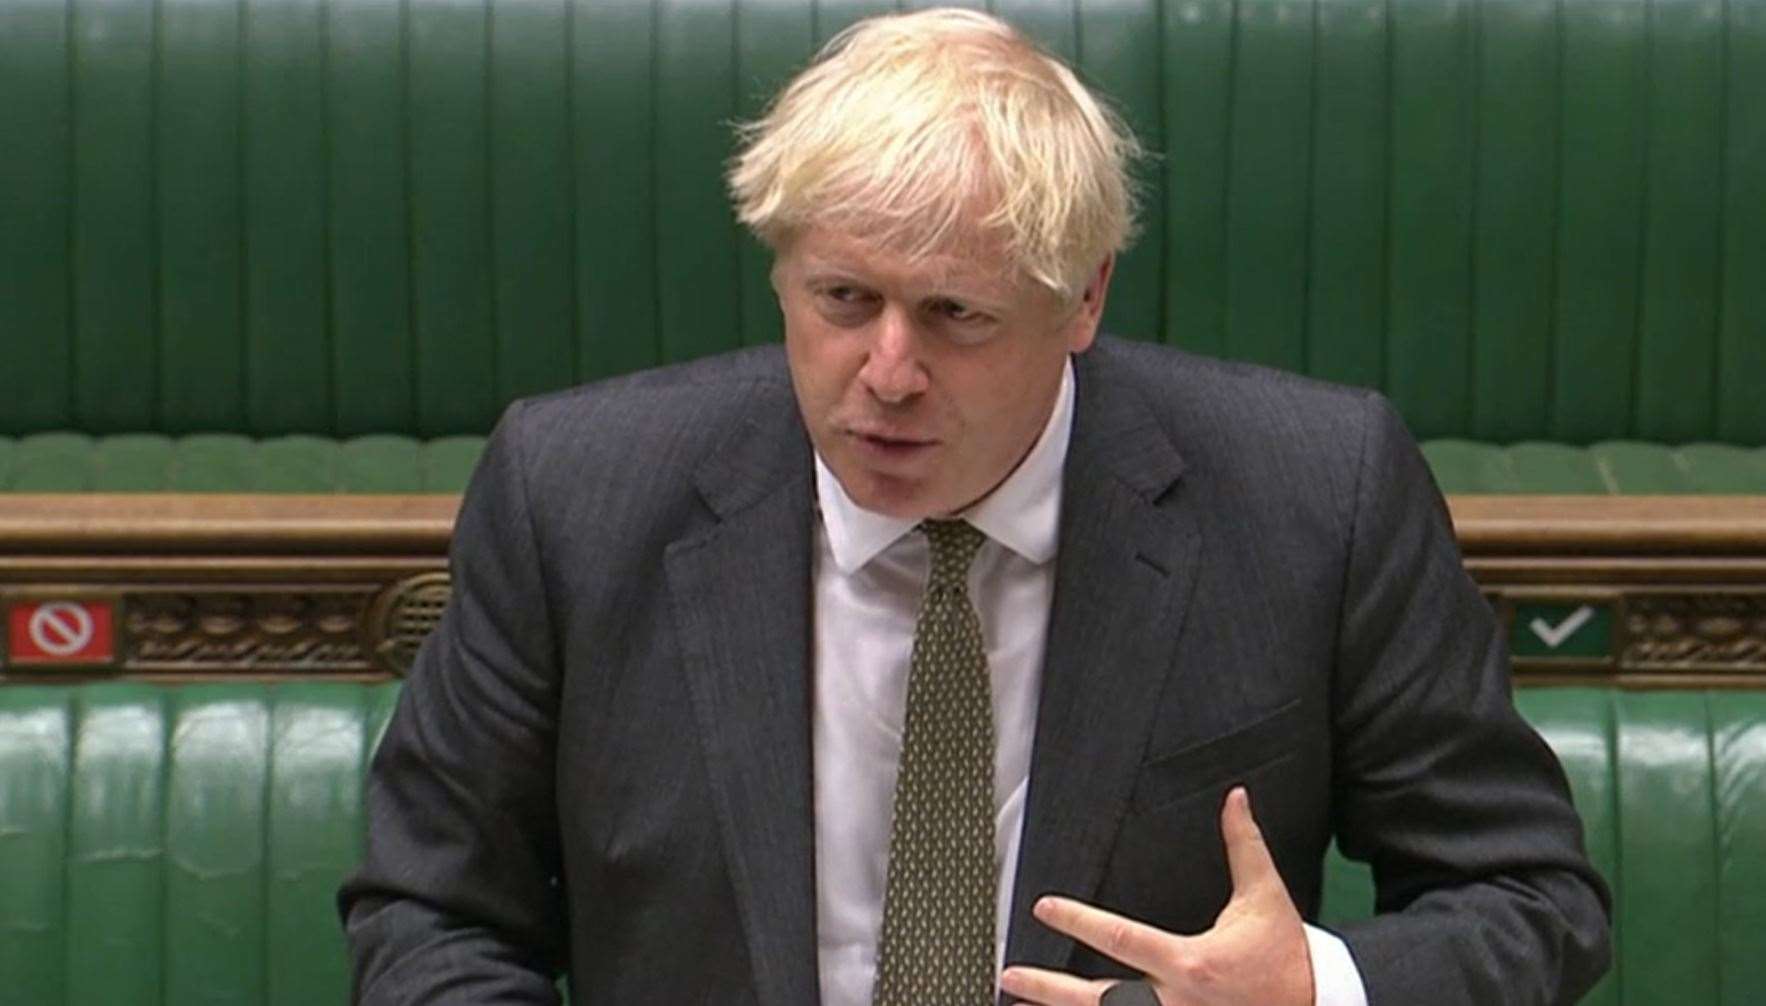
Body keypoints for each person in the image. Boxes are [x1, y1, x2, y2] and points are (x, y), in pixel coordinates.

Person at [339, 8, 1610, 1005]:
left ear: (1084, 300)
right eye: (841, 301)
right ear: (782, 272)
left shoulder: (1312, 492)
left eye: (955, 315)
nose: (886, 373)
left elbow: (1527, 896)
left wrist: (1315, 991)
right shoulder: (575, 494)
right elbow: (432, 913)